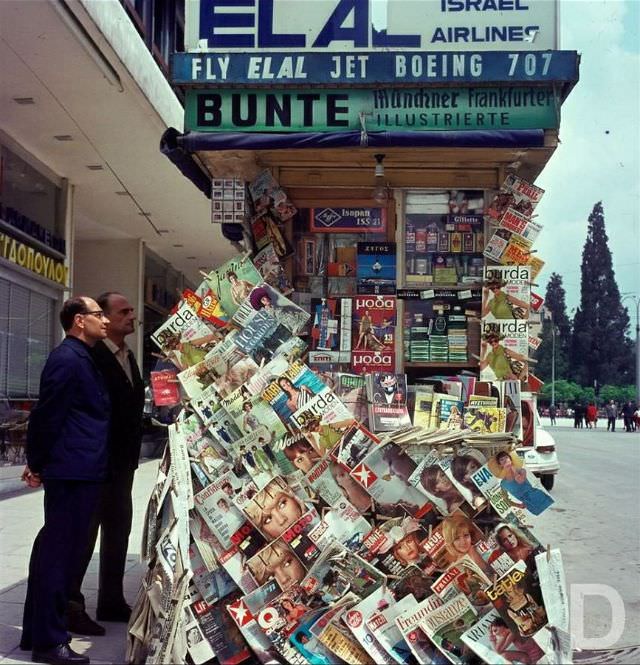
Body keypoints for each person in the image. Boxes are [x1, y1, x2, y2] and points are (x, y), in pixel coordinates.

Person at [21, 297, 111, 665]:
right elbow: (47, 414)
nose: (104, 320)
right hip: (71, 470)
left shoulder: (83, 356)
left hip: (80, 468)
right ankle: (49, 641)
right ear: (79, 320)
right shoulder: (67, 359)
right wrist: (36, 462)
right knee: (59, 557)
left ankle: (37, 632)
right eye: (97, 314)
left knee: (53, 553)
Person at [67, 293, 145, 632]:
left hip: (123, 464)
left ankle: (111, 601)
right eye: (123, 312)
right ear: (105, 319)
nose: (133, 316)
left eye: (131, 311)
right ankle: (71, 606)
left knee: (118, 531)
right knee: (83, 538)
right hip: (97, 463)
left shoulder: (128, 355)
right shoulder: (91, 356)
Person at [495, 451, 553, 516]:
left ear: (510, 459)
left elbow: (520, 481)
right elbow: (505, 500)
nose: (505, 460)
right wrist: (518, 505)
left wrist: (513, 469)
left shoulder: (521, 470)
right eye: (502, 459)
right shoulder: (503, 483)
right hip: (531, 506)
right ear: (500, 464)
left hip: (541, 497)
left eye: (506, 457)